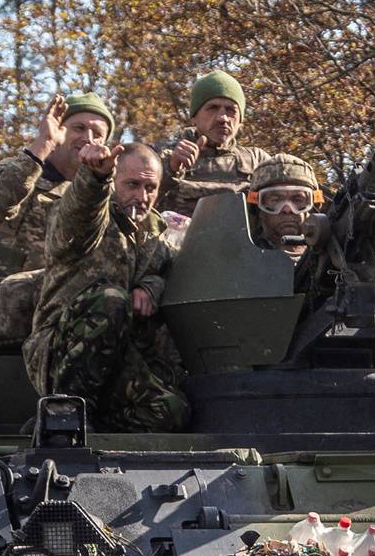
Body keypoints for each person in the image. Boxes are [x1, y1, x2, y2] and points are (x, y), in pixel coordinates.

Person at [23, 141, 189, 432]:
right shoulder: (93, 219)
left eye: (150, 188)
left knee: (171, 411)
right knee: (111, 299)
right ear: (114, 183)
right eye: (132, 184)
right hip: (62, 349)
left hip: (116, 356)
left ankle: (92, 428)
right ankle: (62, 412)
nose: (142, 196)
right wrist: (94, 179)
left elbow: (170, 273)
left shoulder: (156, 236)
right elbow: (78, 218)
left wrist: (151, 286)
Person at [0, 93, 114, 346]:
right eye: (79, 128)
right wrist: (43, 144)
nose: (88, 138)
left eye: (98, 134)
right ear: (59, 130)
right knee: (69, 285)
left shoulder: (98, 192)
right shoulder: (20, 171)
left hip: (55, 302)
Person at [160, 70, 271, 217]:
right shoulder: (165, 158)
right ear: (194, 117)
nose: (222, 118)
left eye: (231, 110)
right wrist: (170, 170)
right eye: (212, 108)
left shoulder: (258, 161)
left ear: (240, 121)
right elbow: (140, 205)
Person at [246, 154, 323, 262]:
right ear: (258, 209)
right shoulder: (241, 257)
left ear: (311, 207)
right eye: (276, 200)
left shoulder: (329, 257)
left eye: (297, 200)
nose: (287, 209)